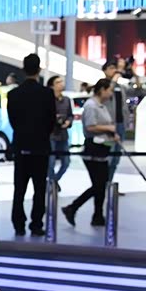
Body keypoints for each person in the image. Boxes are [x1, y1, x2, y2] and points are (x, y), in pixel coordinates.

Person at [7, 54, 56, 237]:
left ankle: (18, 224)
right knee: (39, 189)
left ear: (23, 69)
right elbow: (51, 121)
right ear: (39, 70)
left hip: (21, 146)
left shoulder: (14, 94)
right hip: (40, 147)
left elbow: (13, 120)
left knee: (19, 189)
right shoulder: (47, 94)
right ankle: (36, 224)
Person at [61, 78, 119, 227]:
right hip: (93, 149)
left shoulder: (101, 106)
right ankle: (73, 207)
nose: (111, 93)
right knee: (99, 185)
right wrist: (109, 129)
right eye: (109, 90)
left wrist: (111, 133)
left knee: (101, 185)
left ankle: (97, 215)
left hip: (103, 148)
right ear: (102, 90)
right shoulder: (91, 106)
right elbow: (90, 126)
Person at [102, 60, 126, 185]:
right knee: (109, 157)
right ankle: (103, 184)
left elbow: (138, 90)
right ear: (104, 70)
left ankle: (109, 184)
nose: (114, 71)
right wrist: (114, 81)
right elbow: (106, 95)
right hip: (109, 126)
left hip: (121, 124)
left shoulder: (120, 87)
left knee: (116, 158)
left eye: (114, 68)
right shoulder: (103, 85)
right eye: (111, 68)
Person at [47, 75, 73, 191]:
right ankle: (52, 184)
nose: (61, 84)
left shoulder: (66, 100)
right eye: (58, 82)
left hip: (63, 134)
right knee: (51, 162)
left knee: (66, 162)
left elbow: (70, 115)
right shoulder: (47, 100)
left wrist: (68, 122)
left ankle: (54, 181)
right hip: (51, 134)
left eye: (61, 81)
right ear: (52, 86)